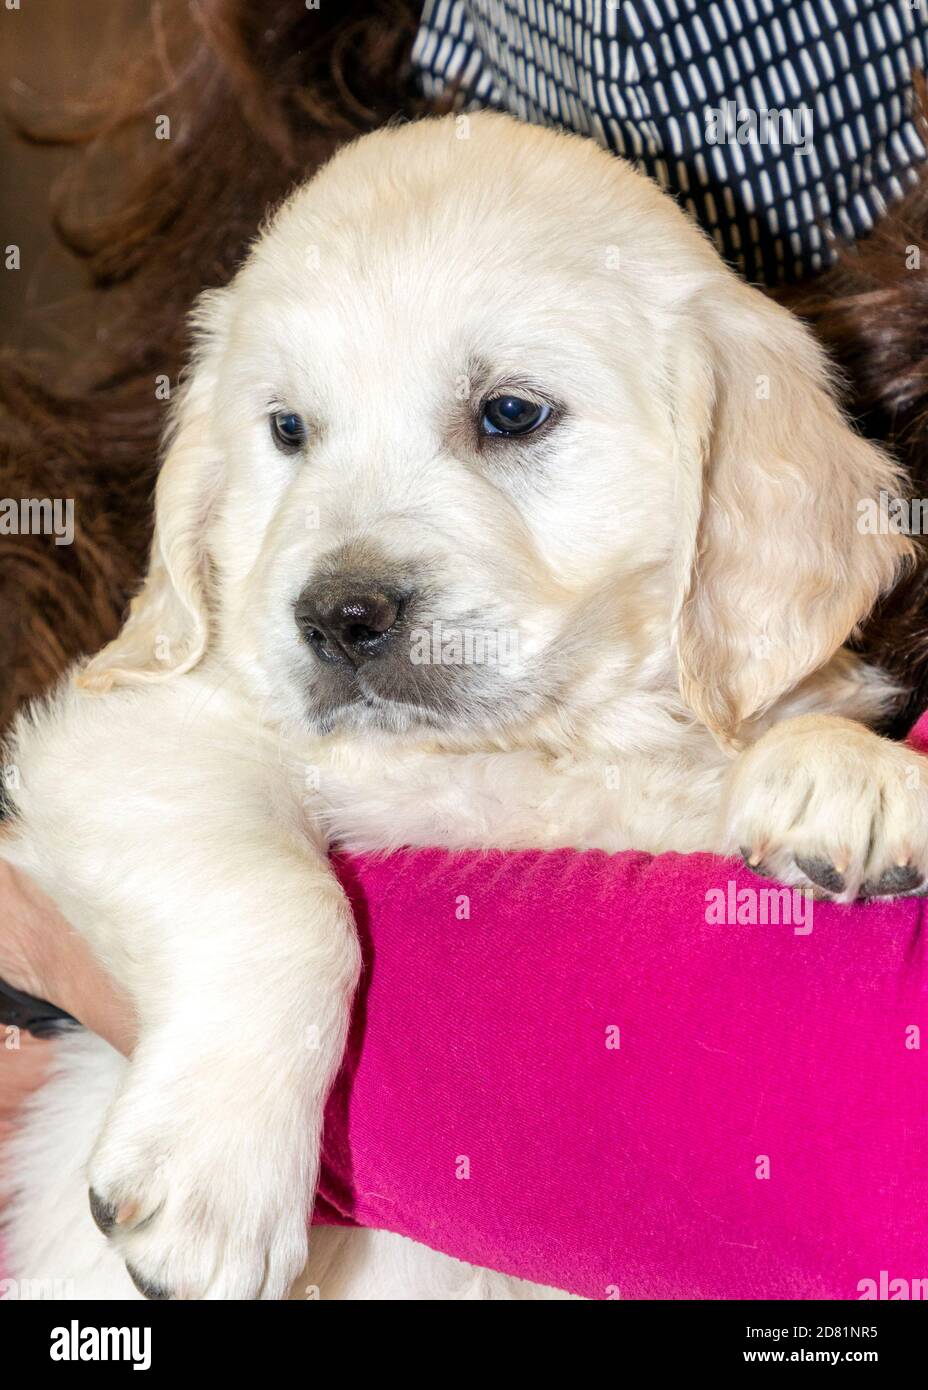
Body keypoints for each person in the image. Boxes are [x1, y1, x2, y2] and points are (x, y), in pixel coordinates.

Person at [3, 0, 928, 1298]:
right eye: (290, 430)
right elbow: (104, 768)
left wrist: (822, 758)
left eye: (508, 416)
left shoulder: (804, 759)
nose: (348, 580)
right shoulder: (229, 738)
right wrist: (258, 961)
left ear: (736, 481)